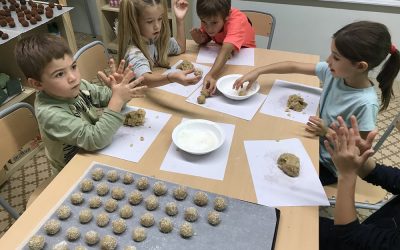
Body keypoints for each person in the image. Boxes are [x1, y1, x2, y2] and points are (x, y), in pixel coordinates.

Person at [234, 21, 400, 185]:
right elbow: (293, 66)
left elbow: (357, 152)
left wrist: (326, 131)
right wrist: (258, 71)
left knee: (266, 177)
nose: (328, 60)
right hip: (312, 140)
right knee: (261, 132)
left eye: (336, 57)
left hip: (329, 163)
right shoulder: (333, 73)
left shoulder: (366, 104)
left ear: (360, 66)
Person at [14, 33, 146, 173]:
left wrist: (117, 90)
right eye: (59, 74)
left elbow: (110, 100)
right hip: (71, 170)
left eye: (73, 66)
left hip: (95, 151)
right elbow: (96, 139)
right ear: (37, 84)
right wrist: (117, 99)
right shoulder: (50, 114)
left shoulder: (76, 86)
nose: (73, 77)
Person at [320, 115, 400, 250]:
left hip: (353, 238)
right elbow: (379, 174)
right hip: (365, 231)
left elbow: (349, 233)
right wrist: (359, 157)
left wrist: (346, 175)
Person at [118, 0, 201, 87]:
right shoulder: (133, 51)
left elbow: (180, 47)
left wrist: (180, 20)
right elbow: (144, 79)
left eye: (160, 19)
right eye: (150, 21)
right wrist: (171, 77)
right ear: (134, 23)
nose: (157, 26)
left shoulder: (155, 40)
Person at [190, 0, 255, 94]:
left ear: (227, 16)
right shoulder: (210, 15)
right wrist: (200, 39)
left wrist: (211, 75)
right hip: (223, 57)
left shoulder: (237, 20)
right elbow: (209, 36)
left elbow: (225, 51)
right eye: (203, 22)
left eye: (214, 23)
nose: (209, 28)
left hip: (245, 58)